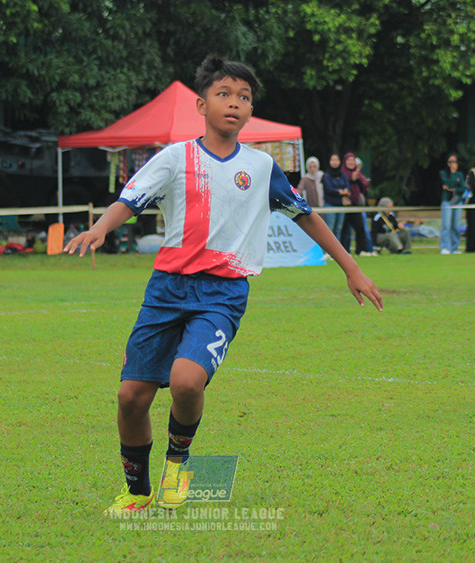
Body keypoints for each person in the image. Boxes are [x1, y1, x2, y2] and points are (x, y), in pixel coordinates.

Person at [63, 55, 382, 515]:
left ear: (250, 111)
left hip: (223, 294)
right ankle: (136, 492)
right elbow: (130, 199)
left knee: (186, 381)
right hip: (167, 290)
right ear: (201, 103)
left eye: (244, 97)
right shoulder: (175, 157)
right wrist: (100, 228)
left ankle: (178, 466)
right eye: (224, 94)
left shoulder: (262, 168)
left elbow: (307, 217)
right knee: (131, 397)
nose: (234, 103)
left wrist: (351, 268)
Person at [339, 152, 375, 256]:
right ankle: (344, 252)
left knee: (360, 228)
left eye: (352, 161)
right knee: (344, 230)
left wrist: (357, 179)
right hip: (344, 206)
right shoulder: (341, 173)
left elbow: (364, 188)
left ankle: (361, 251)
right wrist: (351, 180)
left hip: (356, 205)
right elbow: (342, 186)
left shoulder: (358, 174)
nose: (351, 163)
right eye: (349, 160)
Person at [321, 153, 350, 244]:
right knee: (330, 229)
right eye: (332, 160)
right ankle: (328, 251)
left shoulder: (343, 175)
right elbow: (329, 189)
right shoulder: (326, 176)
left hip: (341, 205)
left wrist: (344, 191)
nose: (335, 162)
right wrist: (339, 192)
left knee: (338, 229)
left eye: (336, 160)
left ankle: (338, 253)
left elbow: (347, 188)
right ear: (329, 162)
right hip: (330, 204)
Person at [438, 154, 464, 255]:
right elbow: (446, 182)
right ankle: (445, 247)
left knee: (456, 226)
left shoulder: (460, 175)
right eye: (450, 162)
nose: (452, 164)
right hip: (447, 201)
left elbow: (462, 188)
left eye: (454, 162)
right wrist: (452, 187)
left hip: (457, 201)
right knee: (446, 225)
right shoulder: (443, 173)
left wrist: (453, 189)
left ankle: (454, 248)